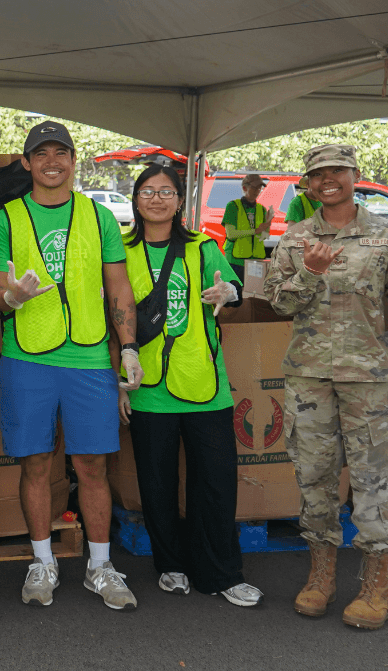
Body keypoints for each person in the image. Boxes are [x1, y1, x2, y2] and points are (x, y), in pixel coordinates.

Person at [264, 144, 388, 631]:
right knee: (313, 476)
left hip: (369, 378)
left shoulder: (387, 236)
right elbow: (277, 304)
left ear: (355, 175)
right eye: (317, 175)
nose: (327, 180)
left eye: (336, 171)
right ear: (307, 185)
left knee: (372, 480)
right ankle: (321, 576)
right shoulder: (294, 239)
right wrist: (310, 272)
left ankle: (379, 587)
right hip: (309, 376)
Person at [0, 122, 143, 612]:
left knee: (92, 464)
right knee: (35, 463)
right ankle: (42, 560)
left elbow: (118, 287)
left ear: (74, 161)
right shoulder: (6, 219)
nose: (52, 161)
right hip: (27, 358)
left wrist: (130, 346)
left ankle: (99, 565)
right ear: (27, 163)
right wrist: (12, 295)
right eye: (41, 154)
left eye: (62, 153)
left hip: (90, 359)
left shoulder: (99, 217)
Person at [121, 164, 263, 608]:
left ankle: (221, 572)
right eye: (148, 191)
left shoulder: (204, 248)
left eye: (166, 191)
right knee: (157, 484)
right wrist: (119, 381)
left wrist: (229, 296)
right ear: (136, 200)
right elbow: (114, 316)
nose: (157, 199)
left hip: (204, 384)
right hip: (146, 385)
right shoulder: (120, 250)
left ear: (180, 201)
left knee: (216, 483)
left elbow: (233, 292)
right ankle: (170, 566)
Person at [221, 173, 270, 281]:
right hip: (235, 260)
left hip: (255, 262)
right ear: (244, 188)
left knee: (252, 295)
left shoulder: (262, 209)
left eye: (259, 188)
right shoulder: (233, 206)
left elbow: (264, 237)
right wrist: (255, 231)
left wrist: (267, 226)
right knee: (234, 294)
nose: (257, 190)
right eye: (254, 187)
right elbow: (231, 234)